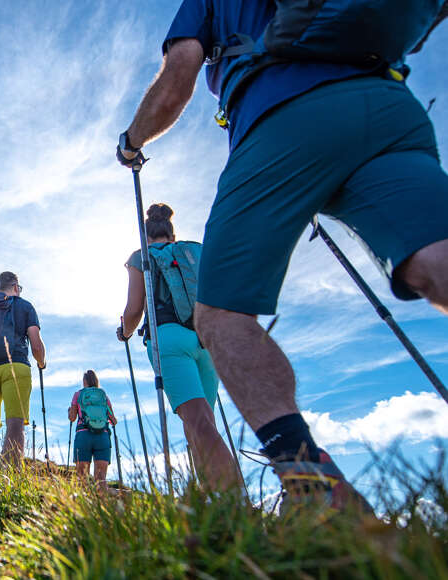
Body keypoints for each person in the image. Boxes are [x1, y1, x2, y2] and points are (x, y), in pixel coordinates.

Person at [116, 2, 448, 513]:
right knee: (434, 258)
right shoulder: (193, 250)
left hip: (279, 114)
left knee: (222, 316)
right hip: (386, 103)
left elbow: (180, 71)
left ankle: (316, 492)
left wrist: (131, 143)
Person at [117, 203, 241, 492]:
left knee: (198, 424)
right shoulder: (194, 252)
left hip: (168, 338)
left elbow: (135, 308)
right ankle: (213, 498)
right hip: (205, 341)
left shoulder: (141, 256)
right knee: (201, 424)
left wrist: (124, 332)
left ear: (146, 236)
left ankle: (235, 499)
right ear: (172, 234)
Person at [0, 271, 46, 473]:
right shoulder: (24, 306)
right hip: (17, 366)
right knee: (15, 424)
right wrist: (42, 363)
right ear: (16, 287)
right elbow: (36, 345)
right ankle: (10, 480)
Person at [68, 370, 117, 490]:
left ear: (84, 381)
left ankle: (83, 506)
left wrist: (70, 411)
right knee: (101, 480)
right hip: (102, 436)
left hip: (83, 435)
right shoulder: (104, 396)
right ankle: (100, 507)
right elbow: (113, 420)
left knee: (82, 478)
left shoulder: (78, 394)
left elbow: (72, 418)